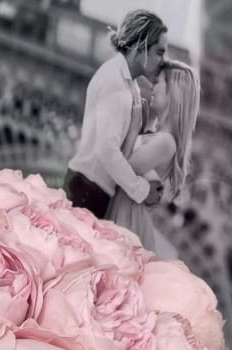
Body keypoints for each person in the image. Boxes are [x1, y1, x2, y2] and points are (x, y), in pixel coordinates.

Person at [64, 9, 169, 219]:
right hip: (87, 191)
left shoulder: (129, 87)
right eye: (159, 52)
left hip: (92, 190)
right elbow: (108, 150)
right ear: (141, 47)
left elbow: (126, 145)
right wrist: (141, 189)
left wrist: (149, 177)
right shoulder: (115, 83)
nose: (162, 61)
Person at [108, 60, 201, 258]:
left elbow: (122, 169)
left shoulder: (167, 142)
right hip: (123, 212)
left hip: (125, 219)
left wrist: (134, 127)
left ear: (172, 93)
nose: (153, 87)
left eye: (158, 82)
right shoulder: (159, 137)